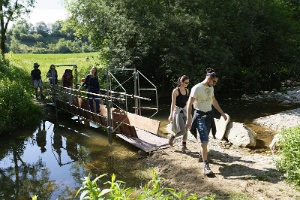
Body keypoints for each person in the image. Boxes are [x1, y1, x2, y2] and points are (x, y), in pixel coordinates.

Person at [186, 68, 227, 176]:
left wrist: (222, 113)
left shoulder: (211, 88)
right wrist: (189, 118)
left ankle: (202, 155)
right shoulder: (197, 88)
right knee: (205, 141)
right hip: (199, 116)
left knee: (205, 139)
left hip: (209, 116)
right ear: (209, 78)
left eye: (216, 82)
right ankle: (206, 165)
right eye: (214, 81)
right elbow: (189, 104)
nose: (215, 84)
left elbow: (214, 101)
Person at [168, 75, 190, 153]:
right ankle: (172, 136)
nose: (187, 84)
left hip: (184, 111)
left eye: (188, 83)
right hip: (178, 112)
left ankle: (184, 146)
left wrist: (189, 114)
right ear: (181, 82)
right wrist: (171, 114)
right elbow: (173, 103)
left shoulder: (187, 91)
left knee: (186, 128)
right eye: (185, 82)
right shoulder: (176, 91)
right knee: (183, 131)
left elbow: (187, 103)